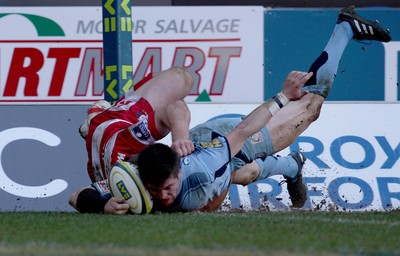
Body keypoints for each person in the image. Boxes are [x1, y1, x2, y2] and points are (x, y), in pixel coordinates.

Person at [136, 6, 392, 212]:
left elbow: (243, 130)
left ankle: (345, 28)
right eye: (156, 190)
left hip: (226, 140)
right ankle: (293, 166)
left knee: (310, 104)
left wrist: (283, 96)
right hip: (209, 146)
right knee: (244, 174)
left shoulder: (202, 176)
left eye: (167, 188)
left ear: (178, 172)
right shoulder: (139, 176)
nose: (162, 195)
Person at [69, 66, 195, 214]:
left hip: (109, 132)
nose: (162, 195)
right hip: (112, 130)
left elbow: (176, 108)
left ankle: (100, 113)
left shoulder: (122, 168)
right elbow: (74, 197)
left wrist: (180, 138)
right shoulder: (124, 175)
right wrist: (103, 205)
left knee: (181, 78)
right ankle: (102, 112)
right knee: (183, 78)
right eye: (155, 189)